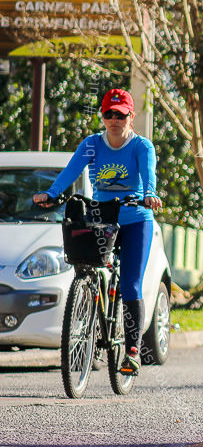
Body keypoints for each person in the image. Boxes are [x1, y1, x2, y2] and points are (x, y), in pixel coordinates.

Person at [33, 89, 161, 376]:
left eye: (121, 114)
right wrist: (52, 193)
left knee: (130, 285)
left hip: (136, 218)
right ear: (102, 116)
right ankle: (90, 311)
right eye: (108, 114)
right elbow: (70, 172)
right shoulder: (92, 145)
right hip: (103, 217)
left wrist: (150, 194)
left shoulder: (142, 147)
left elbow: (148, 177)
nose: (114, 120)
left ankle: (131, 352)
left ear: (131, 116)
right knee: (85, 267)